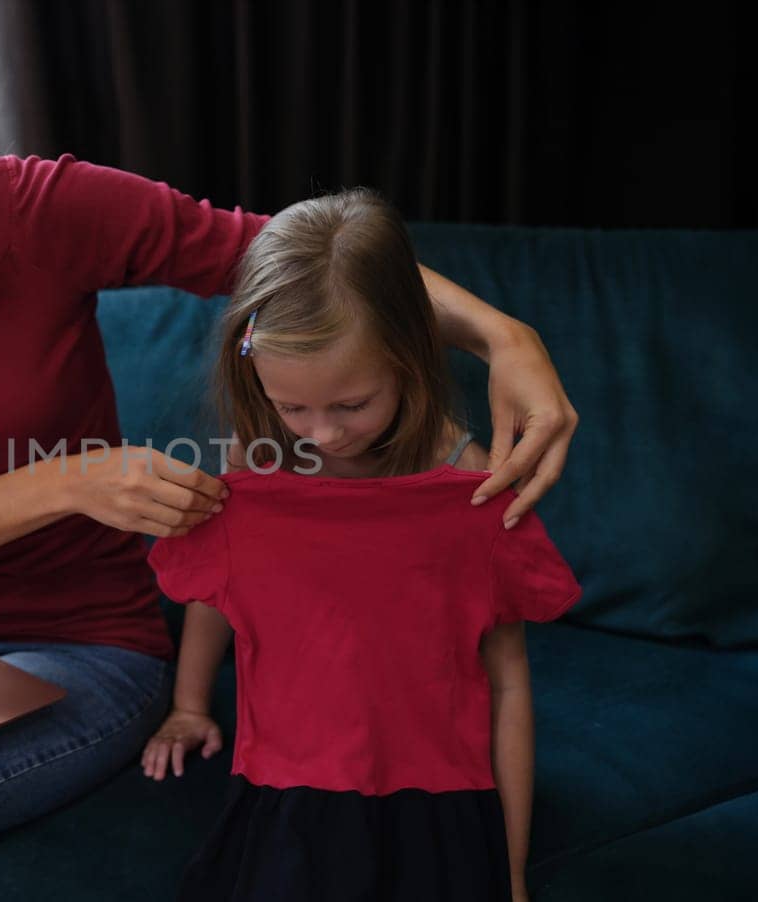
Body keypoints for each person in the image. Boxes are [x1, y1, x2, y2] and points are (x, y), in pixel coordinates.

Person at [0, 65, 579, 900]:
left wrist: (506, 337)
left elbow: (301, 263)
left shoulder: (52, 210)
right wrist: (66, 483)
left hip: (82, 644)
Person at [143, 188, 582, 901]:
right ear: (253, 368)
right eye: (292, 408)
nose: (322, 434)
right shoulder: (254, 465)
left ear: (410, 357)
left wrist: (511, 869)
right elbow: (216, 591)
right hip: (288, 792)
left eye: (352, 404)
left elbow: (507, 681)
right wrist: (190, 703)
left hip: (440, 798)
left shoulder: (472, 487)